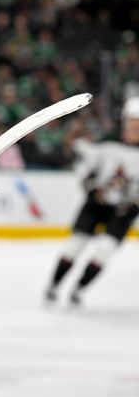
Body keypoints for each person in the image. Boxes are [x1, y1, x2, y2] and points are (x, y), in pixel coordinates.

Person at [44, 97, 139, 306]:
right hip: (96, 205)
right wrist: (92, 188)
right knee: (74, 246)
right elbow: (83, 168)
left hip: (124, 211)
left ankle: (78, 289)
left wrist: (134, 203)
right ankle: (54, 286)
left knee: (104, 250)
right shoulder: (106, 142)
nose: (135, 126)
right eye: (132, 121)